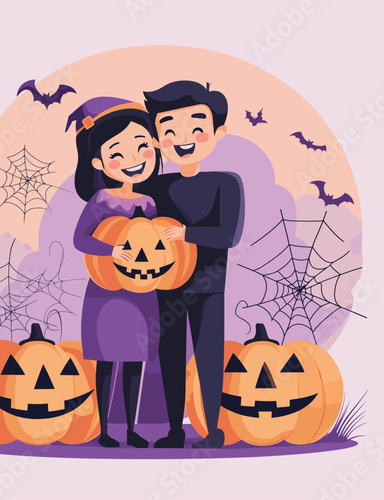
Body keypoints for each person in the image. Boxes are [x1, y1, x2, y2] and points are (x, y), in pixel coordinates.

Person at [143, 81, 245, 449]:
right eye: (168, 129)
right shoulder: (155, 185)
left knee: (207, 356)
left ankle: (212, 430)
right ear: (156, 139)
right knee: (167, 357)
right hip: (165, 284)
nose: (182, 137)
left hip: (209, 284)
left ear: (219, 132)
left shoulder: (225, 183)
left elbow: (228, 235)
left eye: (196, 127)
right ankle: (173, 430)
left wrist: (186, 233)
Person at [67, 97, 162, 448]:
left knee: (135, 362)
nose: (134, 159)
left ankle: (131, 429)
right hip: (106, 294)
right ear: (99, 161)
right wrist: (112, 250)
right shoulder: (102, 201)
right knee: (107, 363)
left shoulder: (149, 204)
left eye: (142, 147)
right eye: (119, 153)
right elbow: (80, 239)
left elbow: (152, 245)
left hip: (141, 293)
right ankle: (106, 430)